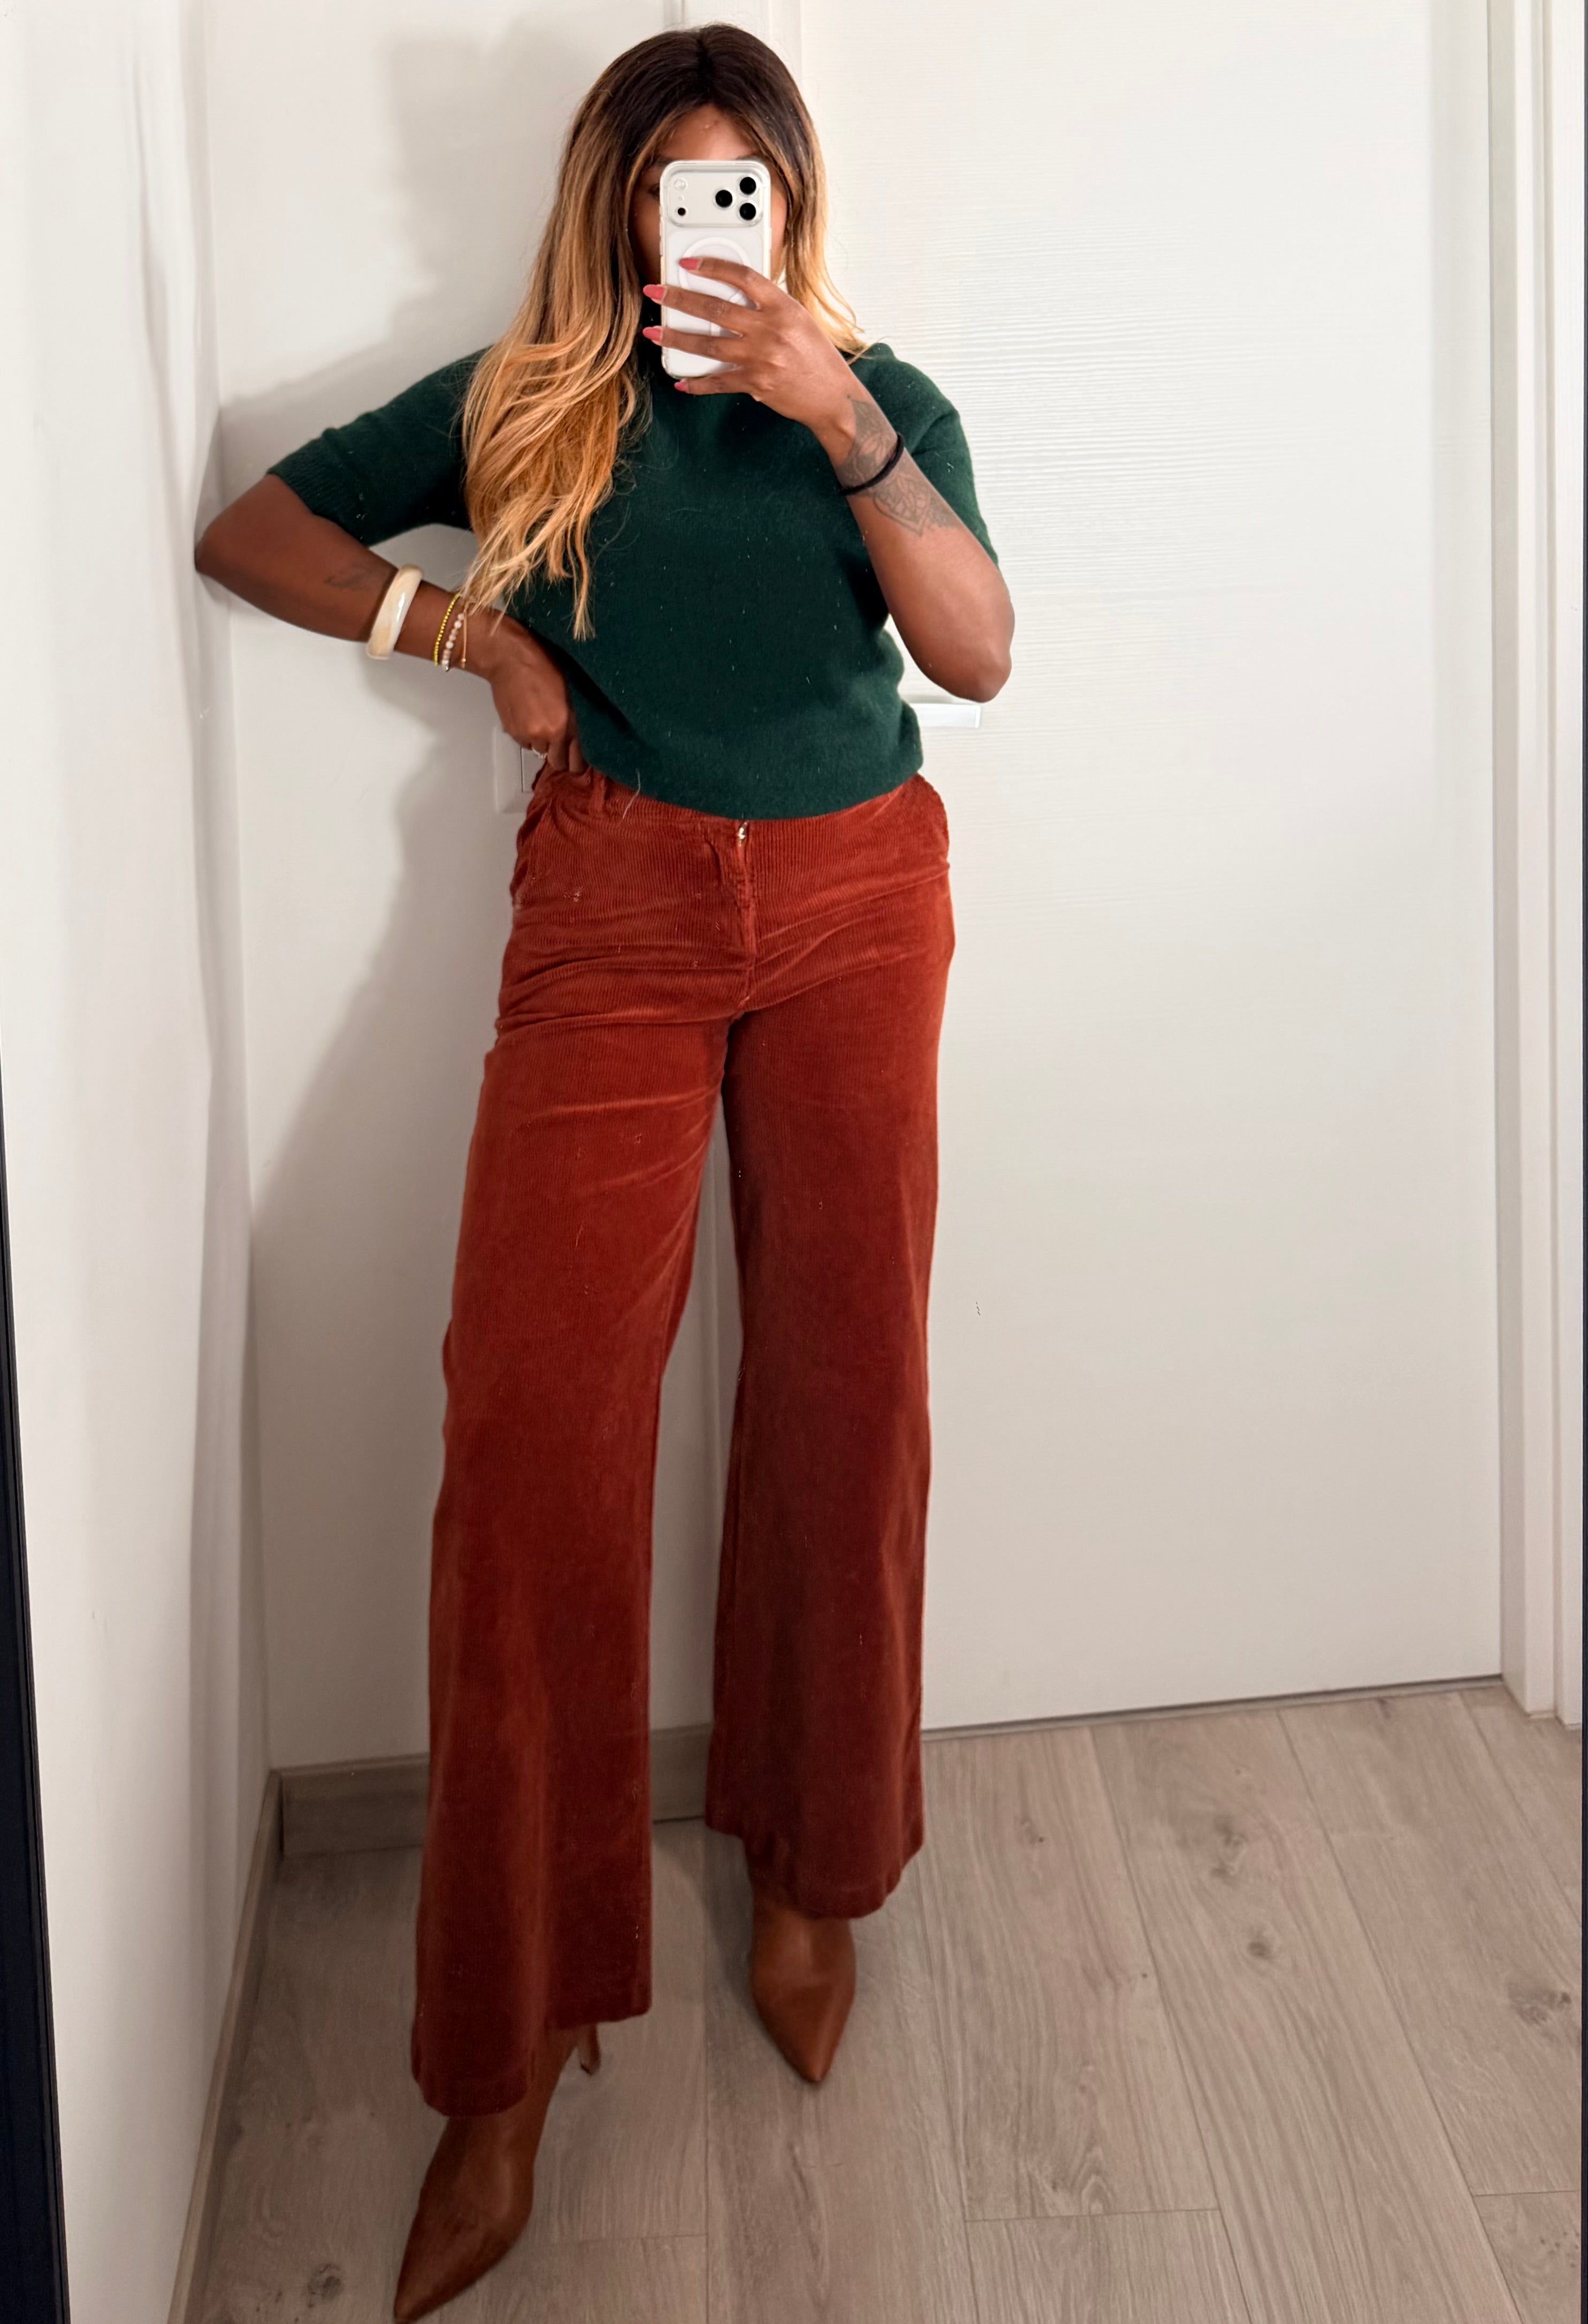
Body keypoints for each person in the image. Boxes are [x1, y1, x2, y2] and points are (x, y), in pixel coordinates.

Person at [195, 23, 1011, 2319]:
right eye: (674, 191)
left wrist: (837, 418)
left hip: (860, 901)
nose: (709, 227)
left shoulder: (883, 402)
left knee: (844, 1397)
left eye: (747, 189)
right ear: (614, 209)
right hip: (614, 911)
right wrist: (464, 635)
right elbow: (250, 531)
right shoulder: (521, 402)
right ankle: (506, 2042)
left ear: (793, 209)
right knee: (532, 1440)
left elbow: (977, 655)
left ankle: (810, 1866)